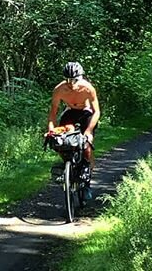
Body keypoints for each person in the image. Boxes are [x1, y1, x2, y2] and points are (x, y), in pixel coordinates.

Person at [46, 61, 100, 200]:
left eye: (75, 80)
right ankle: (68, 166)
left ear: (80, 77)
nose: (71, 83)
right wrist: (51, 130)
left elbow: (96, 112)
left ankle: (86, 181)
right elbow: (53, 112)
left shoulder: (88, 89)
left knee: (86, 146)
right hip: (70, 112)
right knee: (60, 142)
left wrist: (88, 131)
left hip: (86, 114)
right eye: (68, 80)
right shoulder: (59, 90)